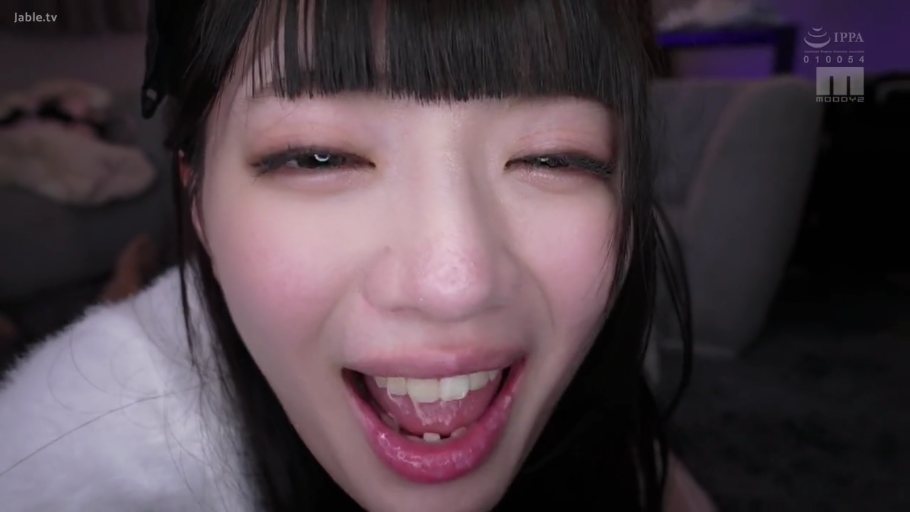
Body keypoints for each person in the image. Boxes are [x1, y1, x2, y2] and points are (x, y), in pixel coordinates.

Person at [0, 1, 711, 510]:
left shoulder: (614, 392)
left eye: (553, 156)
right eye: (319, 156)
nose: (454, 284)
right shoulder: (72, 461)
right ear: (199, 202)